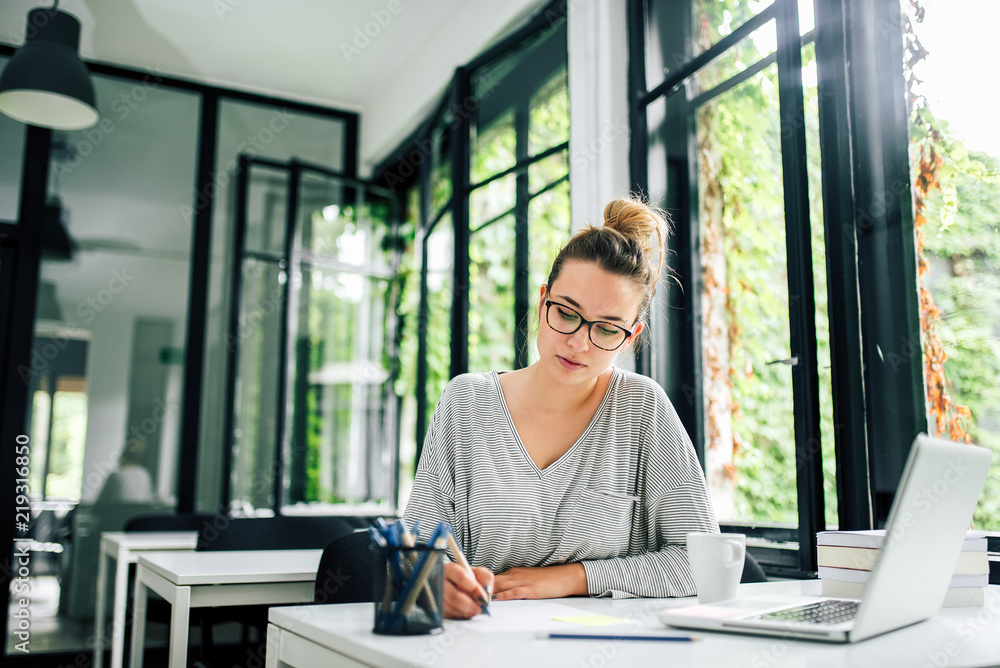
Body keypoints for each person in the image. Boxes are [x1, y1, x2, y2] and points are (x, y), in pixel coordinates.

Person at [402, 196, 720, 620]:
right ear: (542, 301)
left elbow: (703, 563)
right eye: (567, 313)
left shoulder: (643, 408)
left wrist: (573, 578)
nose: (579, 343)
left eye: (607, 329)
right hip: (482, 645)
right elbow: (414, 549)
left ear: (630, 336)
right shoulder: (466, 402)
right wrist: (433, 581)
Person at [94, 438, 154, 505]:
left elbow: (100, 503)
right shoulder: (144, 474)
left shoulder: (116, 475)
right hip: (139, 514)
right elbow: (148, 501)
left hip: (117, 514)